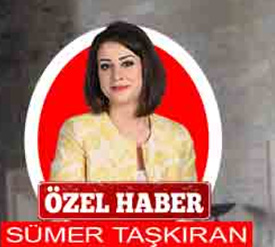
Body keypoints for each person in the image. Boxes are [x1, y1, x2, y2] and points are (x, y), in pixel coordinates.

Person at [49, 21, 197, 182]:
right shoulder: (77, 131)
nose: (116, 75)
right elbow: (65, 204)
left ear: (146, 67)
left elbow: (192, 205)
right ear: (96, 74)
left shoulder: (177, 136)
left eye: (127, 63)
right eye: (105, 66)